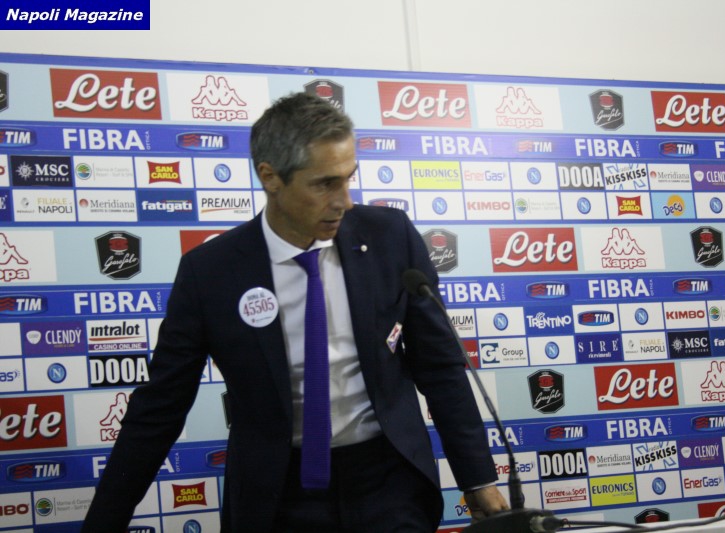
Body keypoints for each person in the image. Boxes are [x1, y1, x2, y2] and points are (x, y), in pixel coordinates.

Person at [82, 92, 509, 532]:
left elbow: (439, 366)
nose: (344, 200)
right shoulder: (210, 272)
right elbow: (161, 406)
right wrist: (104, 522)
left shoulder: (390, 236)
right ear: (270, 177)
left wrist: (478, 478)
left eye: (348, 179)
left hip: (390, 483)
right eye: (324, 184)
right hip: (277, 496)